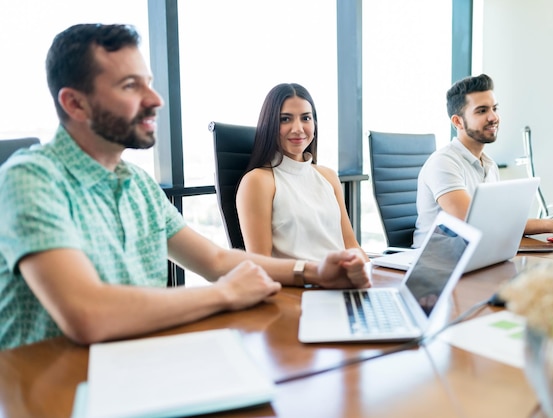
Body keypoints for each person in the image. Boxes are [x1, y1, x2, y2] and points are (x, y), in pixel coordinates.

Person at [0, 24, 370, 351]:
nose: (155, 99)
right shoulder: (31, 178)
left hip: (136, 366)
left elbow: (217, 260)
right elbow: (88, 314)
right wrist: (223, 294)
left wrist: (313, 272)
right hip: (52, 389)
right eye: (131, 85)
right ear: (75, 104)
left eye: (149, 82)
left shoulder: (137, 184)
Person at [413, 74, 553, 247]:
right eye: (482, 111)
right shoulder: (443, 163)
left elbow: (496, 221)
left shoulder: (489, 165)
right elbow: (474, 222)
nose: (493, 117)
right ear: (458, 121)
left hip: (476, 254)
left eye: (494, 109)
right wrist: (552, 225)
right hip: (437, 264)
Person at [236, 83, 368, 263]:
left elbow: (351, 245)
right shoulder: (258, 181)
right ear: (270, 125)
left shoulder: (328, 176)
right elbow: (261, 264)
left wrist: (371, 277)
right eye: (285, 119)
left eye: (306, 118)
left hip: (342, 282)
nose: (298, 128)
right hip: (298, 287)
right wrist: (316, 275)